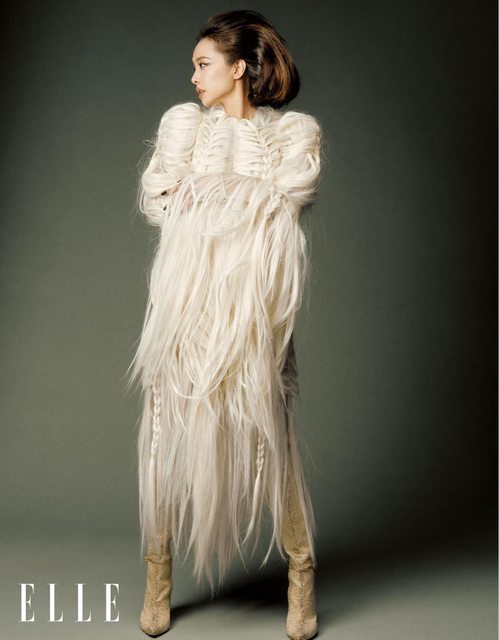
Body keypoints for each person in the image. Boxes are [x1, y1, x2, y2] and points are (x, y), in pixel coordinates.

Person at [126, 9, 323, 640]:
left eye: (203, 64)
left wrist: (204, 196)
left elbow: (290, 198)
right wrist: (243, 201)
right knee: (165, 435)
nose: (193, 77)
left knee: (274, 434)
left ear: (239, 68)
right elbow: (159, 200)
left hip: (253, 313)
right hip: (185, 310)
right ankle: (157, 579)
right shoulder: (181, 126)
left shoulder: (293, 134)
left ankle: (301, 577)